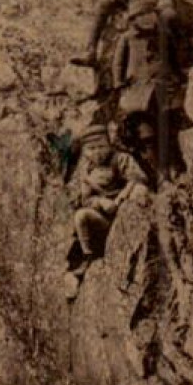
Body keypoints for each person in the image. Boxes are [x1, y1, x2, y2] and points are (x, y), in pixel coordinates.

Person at [65, 123, 150, 301]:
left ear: (109, 143)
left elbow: (138, 178)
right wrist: (101, 202)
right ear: (86, 151)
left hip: (125, 209)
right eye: (92, 149)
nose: (97, 152)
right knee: (81, 216)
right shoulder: (87, 171)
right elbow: (86, 200)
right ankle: (88, 255)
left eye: (101, 146)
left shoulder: (121, 159)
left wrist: (119, 200)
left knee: (140, 191)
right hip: (106, 220)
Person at [111, 0, 186, 178]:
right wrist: (119, 83)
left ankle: (176, 167)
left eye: (150, 14)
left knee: (169, 128)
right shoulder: (127, 38)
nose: (146, 19)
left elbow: (174, 57)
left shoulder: (163, 34)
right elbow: (118, 62)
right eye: (141, 15)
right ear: (133, 19)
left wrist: (179, 77)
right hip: (138, 90)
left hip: (164, 88)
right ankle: (159, 172)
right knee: (146, 132)